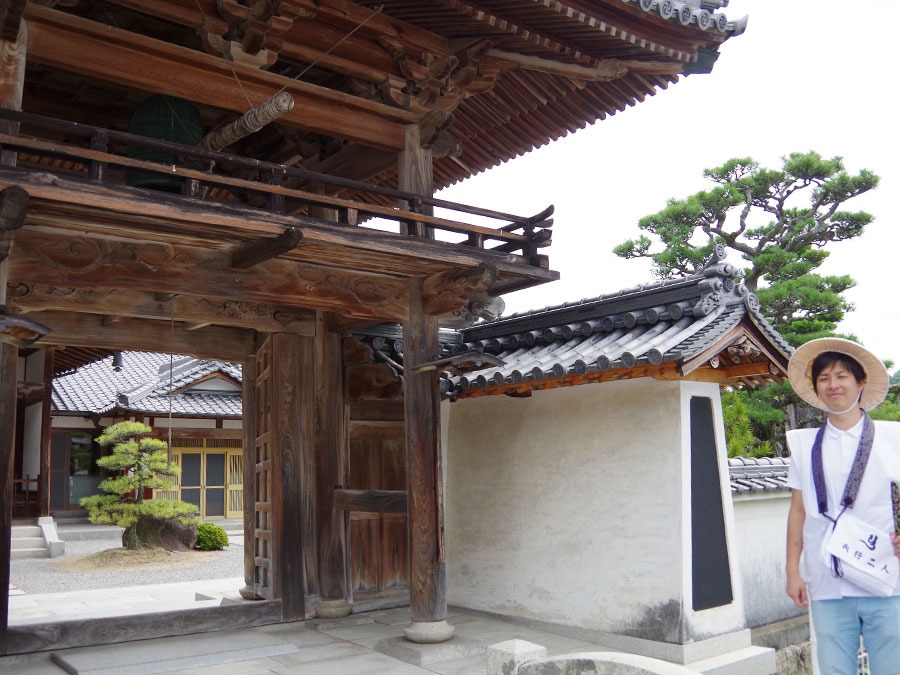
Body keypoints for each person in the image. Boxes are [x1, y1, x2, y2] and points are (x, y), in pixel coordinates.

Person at [785, 338, 900, 674]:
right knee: (835, 669)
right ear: (816, 387)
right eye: (823, 378)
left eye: (841, 376)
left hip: (886, 574)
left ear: (860, 382)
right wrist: (793, 571)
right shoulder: (803, 445)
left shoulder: (894, 438)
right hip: (827, 578)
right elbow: (798, 511)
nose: (832, 384)